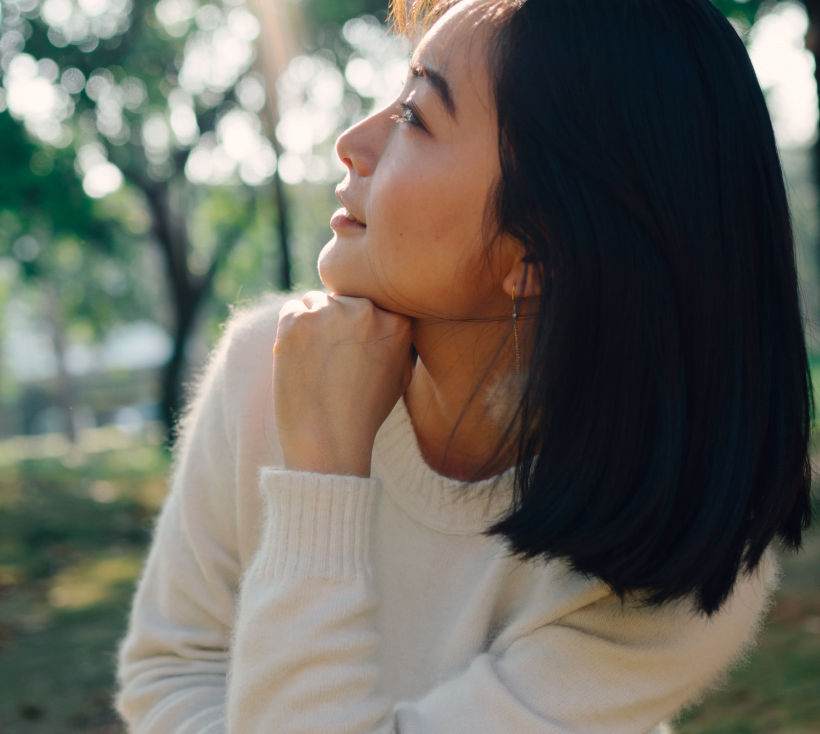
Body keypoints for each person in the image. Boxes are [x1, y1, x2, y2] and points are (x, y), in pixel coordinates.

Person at [116, 0, 814, 732]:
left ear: (538, 250)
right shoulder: (274, 362)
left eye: (415, 116)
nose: (352, 141)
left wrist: (319, 480)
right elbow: (173, 667)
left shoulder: (673, 558)